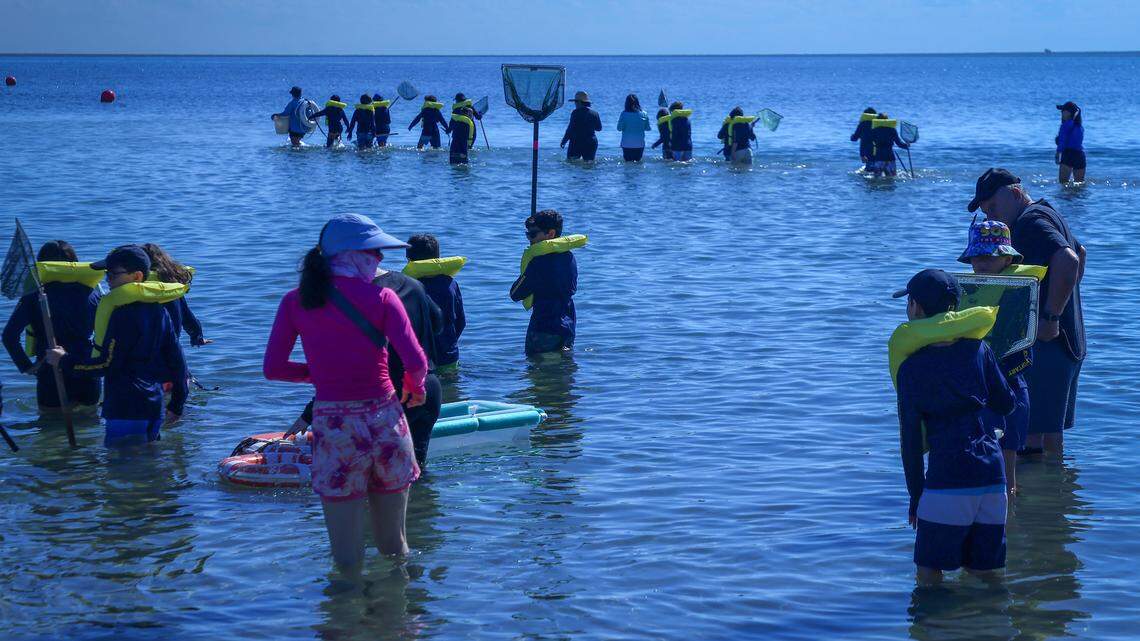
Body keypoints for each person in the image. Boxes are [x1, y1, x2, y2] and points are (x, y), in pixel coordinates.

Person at [263, 214, 428, 577]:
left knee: (346, 557)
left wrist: (318, 373)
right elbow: (417, 362)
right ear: (353, 254)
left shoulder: (295, 302)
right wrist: (415, 390)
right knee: (395, 546)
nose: (380, 260)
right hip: (387, 423)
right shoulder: (384, 297)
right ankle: (399, 625)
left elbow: (273, 368)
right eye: (374, 251)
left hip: (336, 428)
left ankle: (343, 624)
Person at [890, 269, 1015, 585]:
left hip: (948, 478)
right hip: (992, 477)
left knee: (929, 578)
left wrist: (916, 497)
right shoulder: (980, 350)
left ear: (916, 308)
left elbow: (910, 442)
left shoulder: (911, 368)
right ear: (954, 308)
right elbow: (1006, 404)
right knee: (986, 578)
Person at [968, 168, 1086, 457]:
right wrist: (1065, 302)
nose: (991, 218)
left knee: (1032, 440)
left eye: (993, 207)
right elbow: (1081, 251)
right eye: (986, 212)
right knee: (1050, 434)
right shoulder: (1047, 210)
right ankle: (1056, 494)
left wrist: (1051, 316)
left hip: (1049, 343)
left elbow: (1069, 259)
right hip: (1070, 343)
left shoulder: (1030, 221)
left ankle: (1033, 496)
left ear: (1016, 192)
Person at [45, 245, 188, 447]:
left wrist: (64, 361)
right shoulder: (159, 311)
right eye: (106, 274)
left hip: (125, 407)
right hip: (154, 405)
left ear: (137, 276)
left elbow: (105, 365)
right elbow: (177, 360)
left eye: (113, 274)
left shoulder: (122, 315)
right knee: (151, 467)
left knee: (121, 471)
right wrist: (177, 403)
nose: (107, 279)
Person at [957, 221, 1036, 496]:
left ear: (1008, 258)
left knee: (1007, 471)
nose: (983, 263)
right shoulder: (964, 292)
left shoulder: (1021, 292)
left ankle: (1007, 515)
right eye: (977, 257)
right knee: (975, 463)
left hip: (1011, 382)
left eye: (991, 256)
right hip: (976, 386)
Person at [2, 240, 102, 411]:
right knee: (89, 425)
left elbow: (9, 336)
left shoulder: (35, 295)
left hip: (51, 371)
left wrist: (27, 367)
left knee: (51, 427)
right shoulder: (92, 293)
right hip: (86, 368)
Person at [509, 210, 580, 356]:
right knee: (563, 372)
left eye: (533, 234)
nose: (529, 238)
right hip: (567, 325)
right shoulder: (569, 257)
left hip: (544, 328)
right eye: (527, 234)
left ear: (551, 234)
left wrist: (526, 268)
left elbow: (515, 294)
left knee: (538, 373)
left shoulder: (539, 263)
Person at [404, 234, 465, 371]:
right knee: (451, 390)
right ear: (437, 259)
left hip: (418, 357)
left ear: (409, 260)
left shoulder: (407, 286)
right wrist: (448, 342)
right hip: (448, 355)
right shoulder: (451, 284)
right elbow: (461, 322)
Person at [141, 244, 210, 348]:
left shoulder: (138, 288)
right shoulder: (172, 288)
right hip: (171, 344)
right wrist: (197, 337)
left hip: (143, 345)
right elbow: (187, 316)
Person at [561, 91, 602, 162]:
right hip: (591, 141)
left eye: (576, 102)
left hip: (577, 142)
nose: (575, 104)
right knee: (589, 163)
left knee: (571, 162)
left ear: (579, 102)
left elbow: (570, 129)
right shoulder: (595, 113)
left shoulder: (575, 113)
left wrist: (564, 141)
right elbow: (599, 128)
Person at [1055, 101, 1085, 184]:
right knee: (1080, 184)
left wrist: (1057, 155)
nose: (1061, 113)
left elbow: (1062, 142)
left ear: (1068, 113)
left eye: (1063, 110)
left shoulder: (1065, 125)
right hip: (1080, 156)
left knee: (1063, 183)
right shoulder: (1079, 126)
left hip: (1068, 155)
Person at [616, 94, 650, 162]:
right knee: (638, 164)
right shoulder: (644, 114)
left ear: (626, 103)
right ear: (637, 103)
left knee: (628, 164)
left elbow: (619, 128)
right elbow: (647, 128)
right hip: (639, 144)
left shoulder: (623, 114)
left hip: (626, 144)